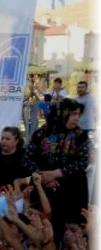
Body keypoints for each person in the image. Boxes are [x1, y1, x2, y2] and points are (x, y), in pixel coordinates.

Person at [23, 98, 89, 234]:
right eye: (73, 114)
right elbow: (27, 158)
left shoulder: (81, 136)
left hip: (71, 190)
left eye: (78, 114)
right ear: (62, 114)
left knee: (69, 231)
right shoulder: (42, 133)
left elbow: (83, 161)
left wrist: (55, 173)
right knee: (41, 227)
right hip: (42, 188)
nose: (76, 118)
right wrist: (43, 177)